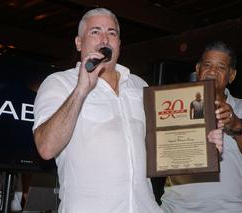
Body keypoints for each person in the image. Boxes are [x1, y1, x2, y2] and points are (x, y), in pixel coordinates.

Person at [32, 8, 164, 213]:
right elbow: (46, 148)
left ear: (119, 44)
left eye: (112, 33)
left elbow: (160, 145)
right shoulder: (60, 83)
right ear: (78, 42)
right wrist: (81, 89)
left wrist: (201, 143)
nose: (105, 39)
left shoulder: (140, 86)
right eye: (95, 32)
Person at [161, 41, 242, 213]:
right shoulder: (173, 104)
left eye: (221, 67)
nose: (213, 71)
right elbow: (160, 152)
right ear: (198, 69)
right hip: (178, 209)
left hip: (234, 210)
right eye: (207, 65)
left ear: (232, 75)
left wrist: (237, 125)